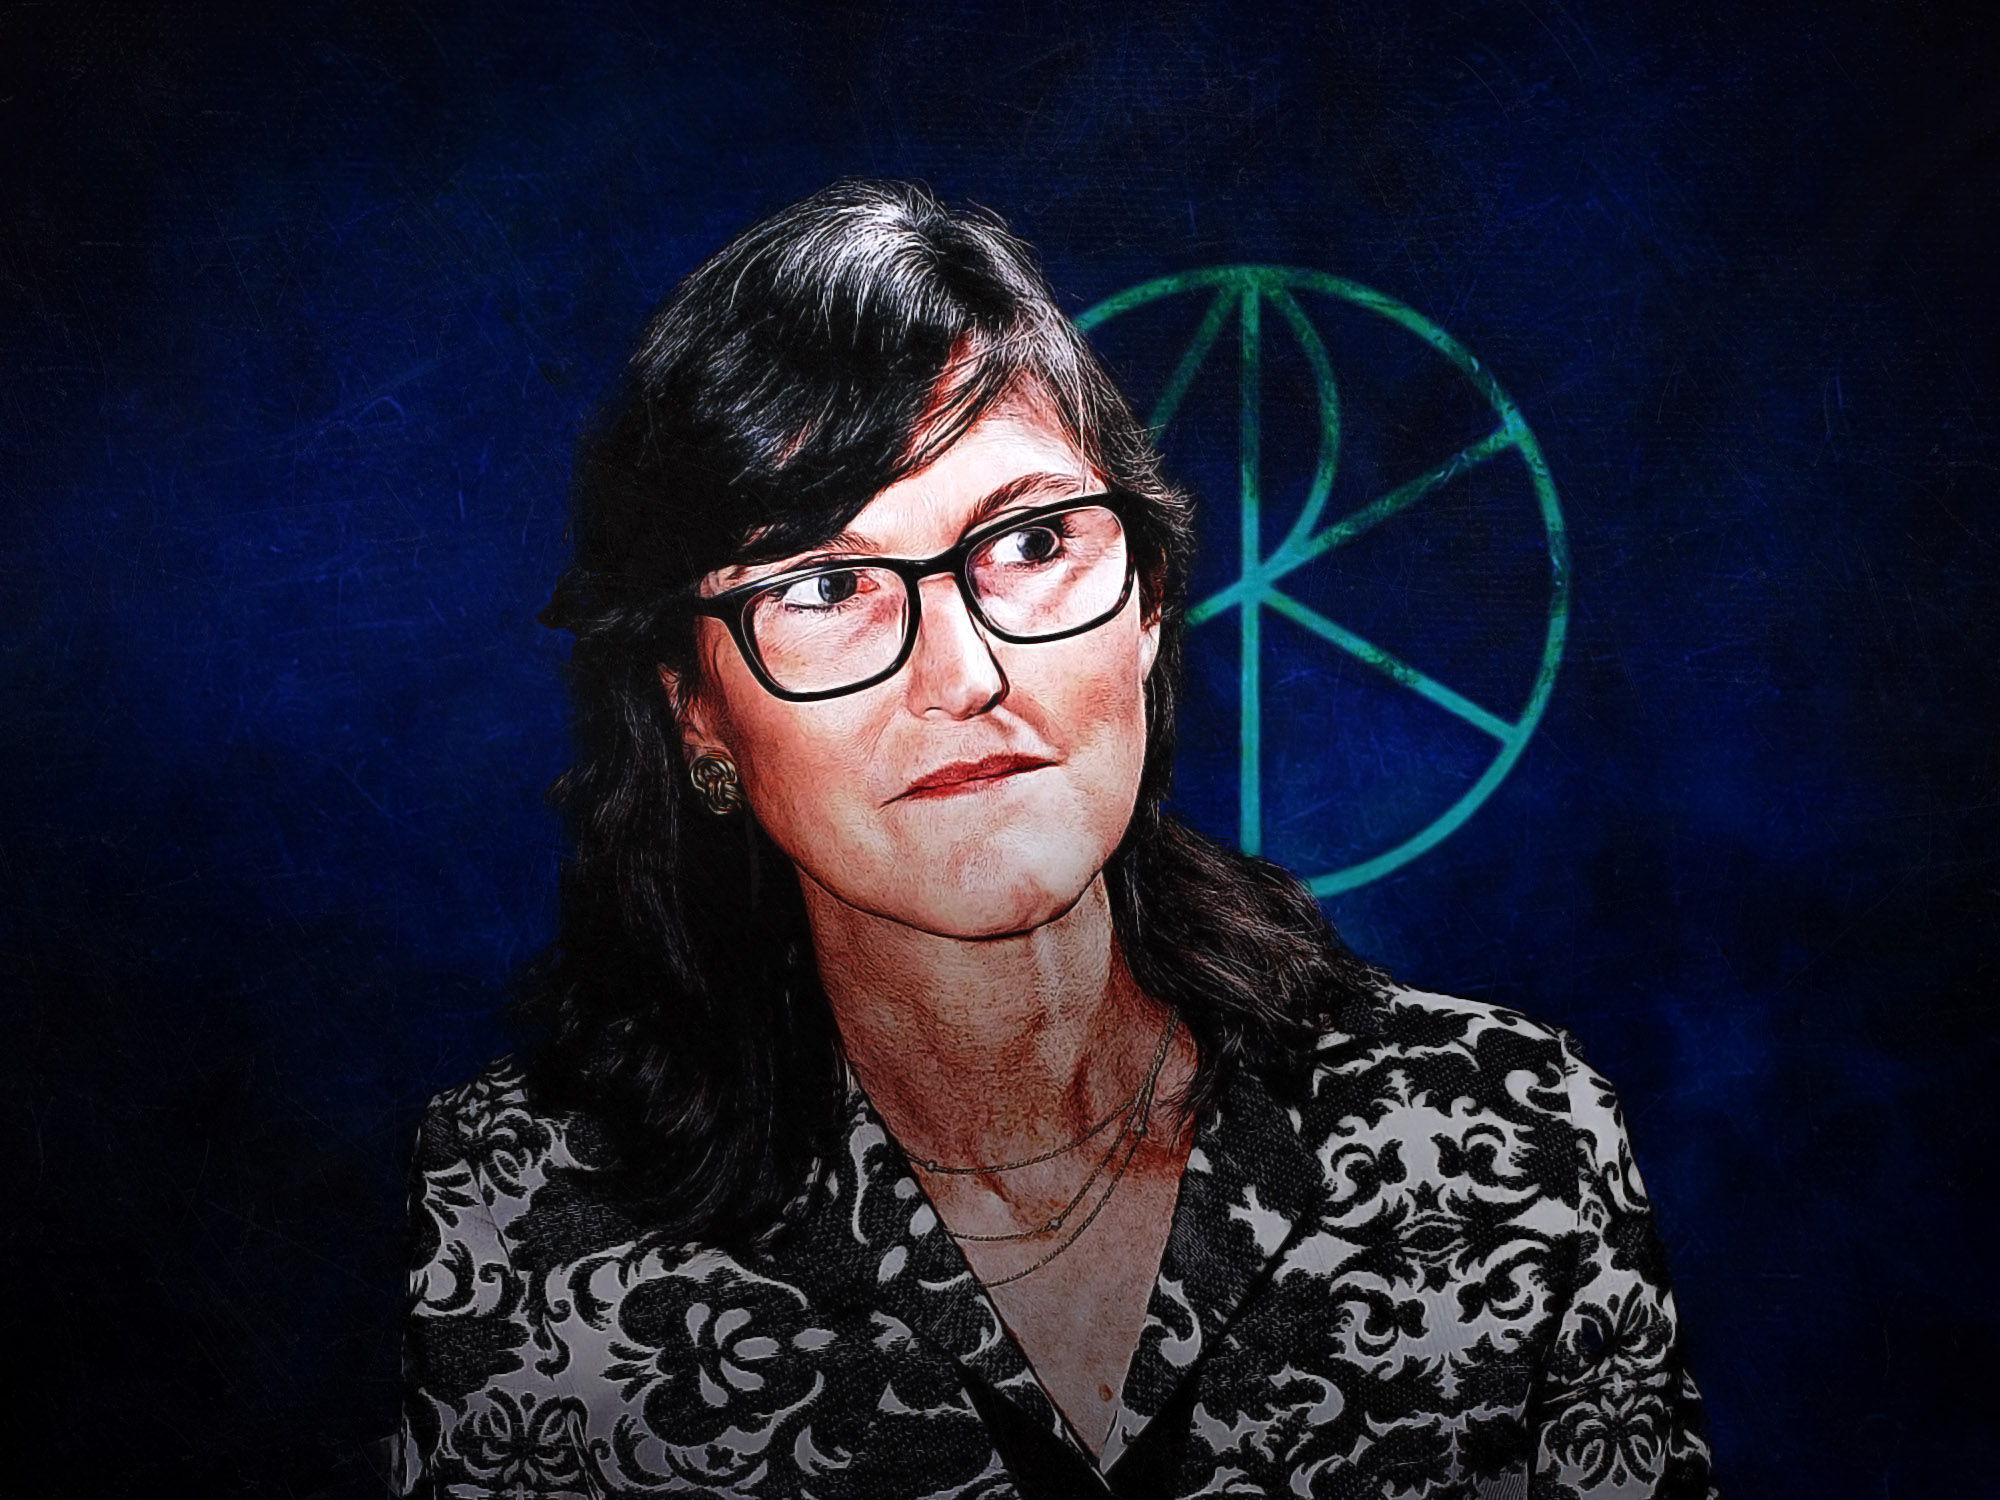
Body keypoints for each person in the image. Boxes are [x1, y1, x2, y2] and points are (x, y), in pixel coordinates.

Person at [396, 179, 1716, 1499]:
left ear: (1148, 604)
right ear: (696, 710)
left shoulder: (1515, 1141)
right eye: (828, 584)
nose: (966, 674)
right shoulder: (520, 1214)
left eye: (1030, 542)